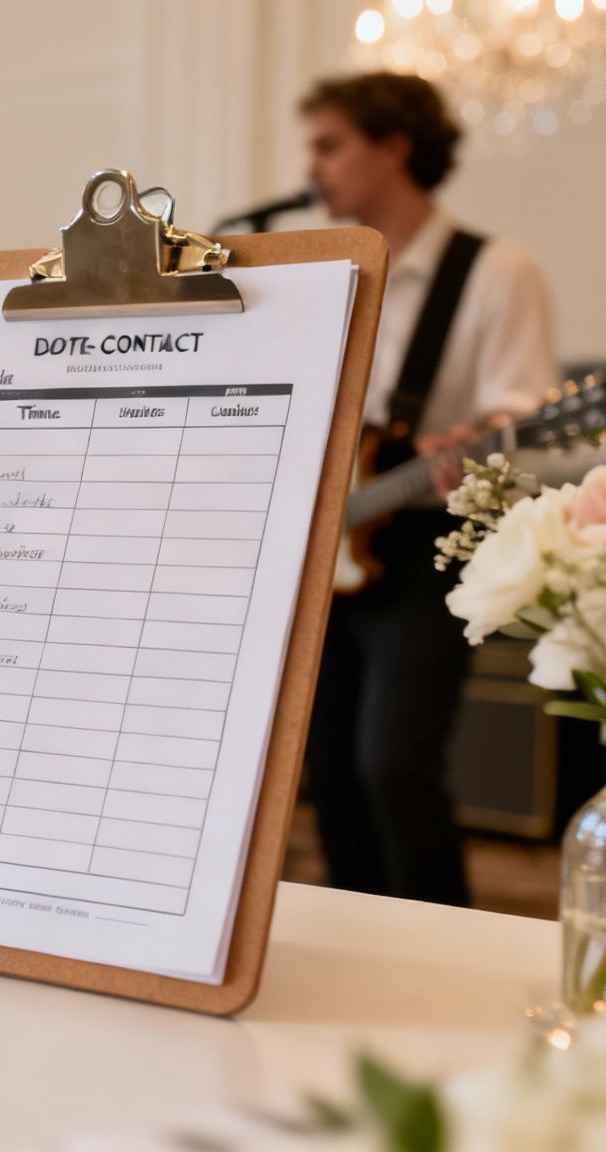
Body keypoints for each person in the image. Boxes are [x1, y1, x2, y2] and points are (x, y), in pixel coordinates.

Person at [300, 73, 560, 905]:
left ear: (394, 147)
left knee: (395, 764)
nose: (314, 166)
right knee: (325, 769)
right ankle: (354, 927)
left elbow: (527, 432)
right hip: (325, 546)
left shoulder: (492, 272)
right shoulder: (327, 272)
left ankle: (440, 933)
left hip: (426, 546)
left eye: (329, 144)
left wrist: (473, 453)